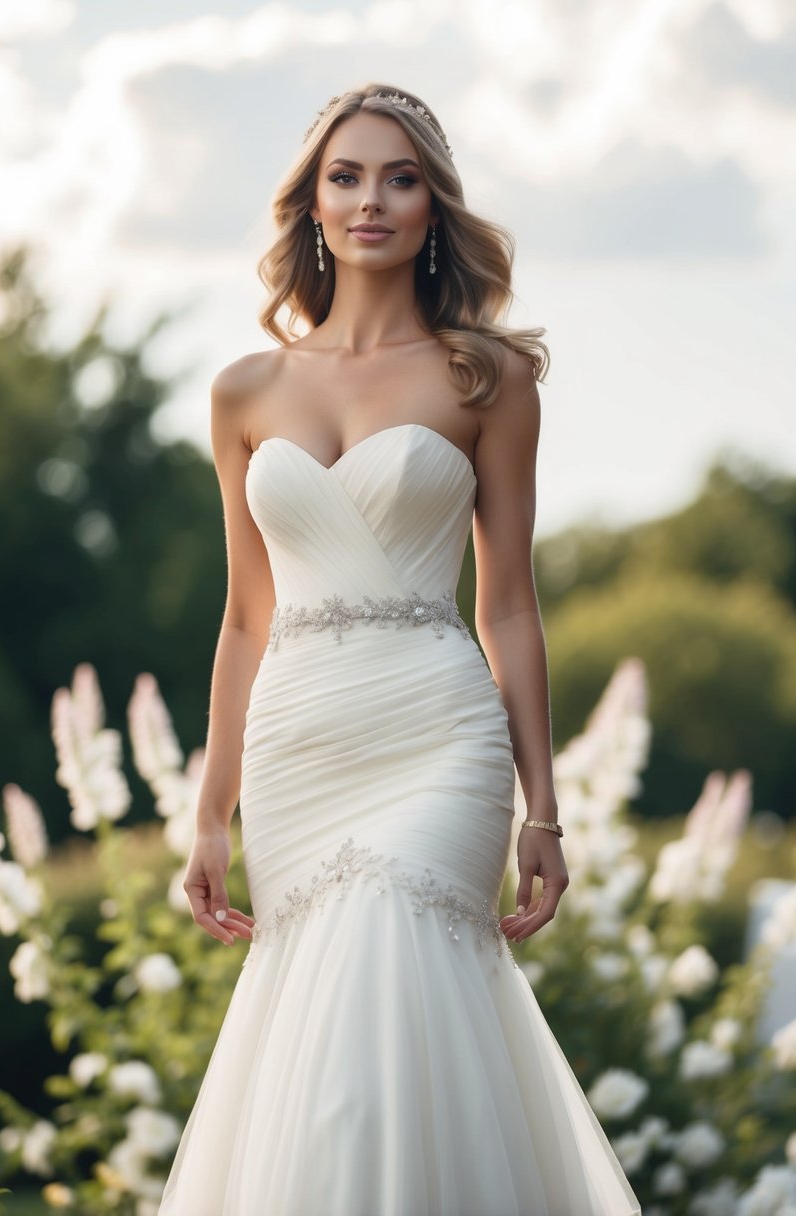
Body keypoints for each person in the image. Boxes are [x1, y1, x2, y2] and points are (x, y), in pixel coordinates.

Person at [159, 83, 641, 1216]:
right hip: (297, 746)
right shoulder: (242, 390)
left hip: (437, 735)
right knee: (321, 1065)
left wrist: (543, 808)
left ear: (433, 207)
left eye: (400, 176)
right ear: (312, 208)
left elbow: (510, 605)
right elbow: (243, 616)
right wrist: (211, 809)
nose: (371, 197)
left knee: (395, 989)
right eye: (346, 175)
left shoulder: (487, 377)